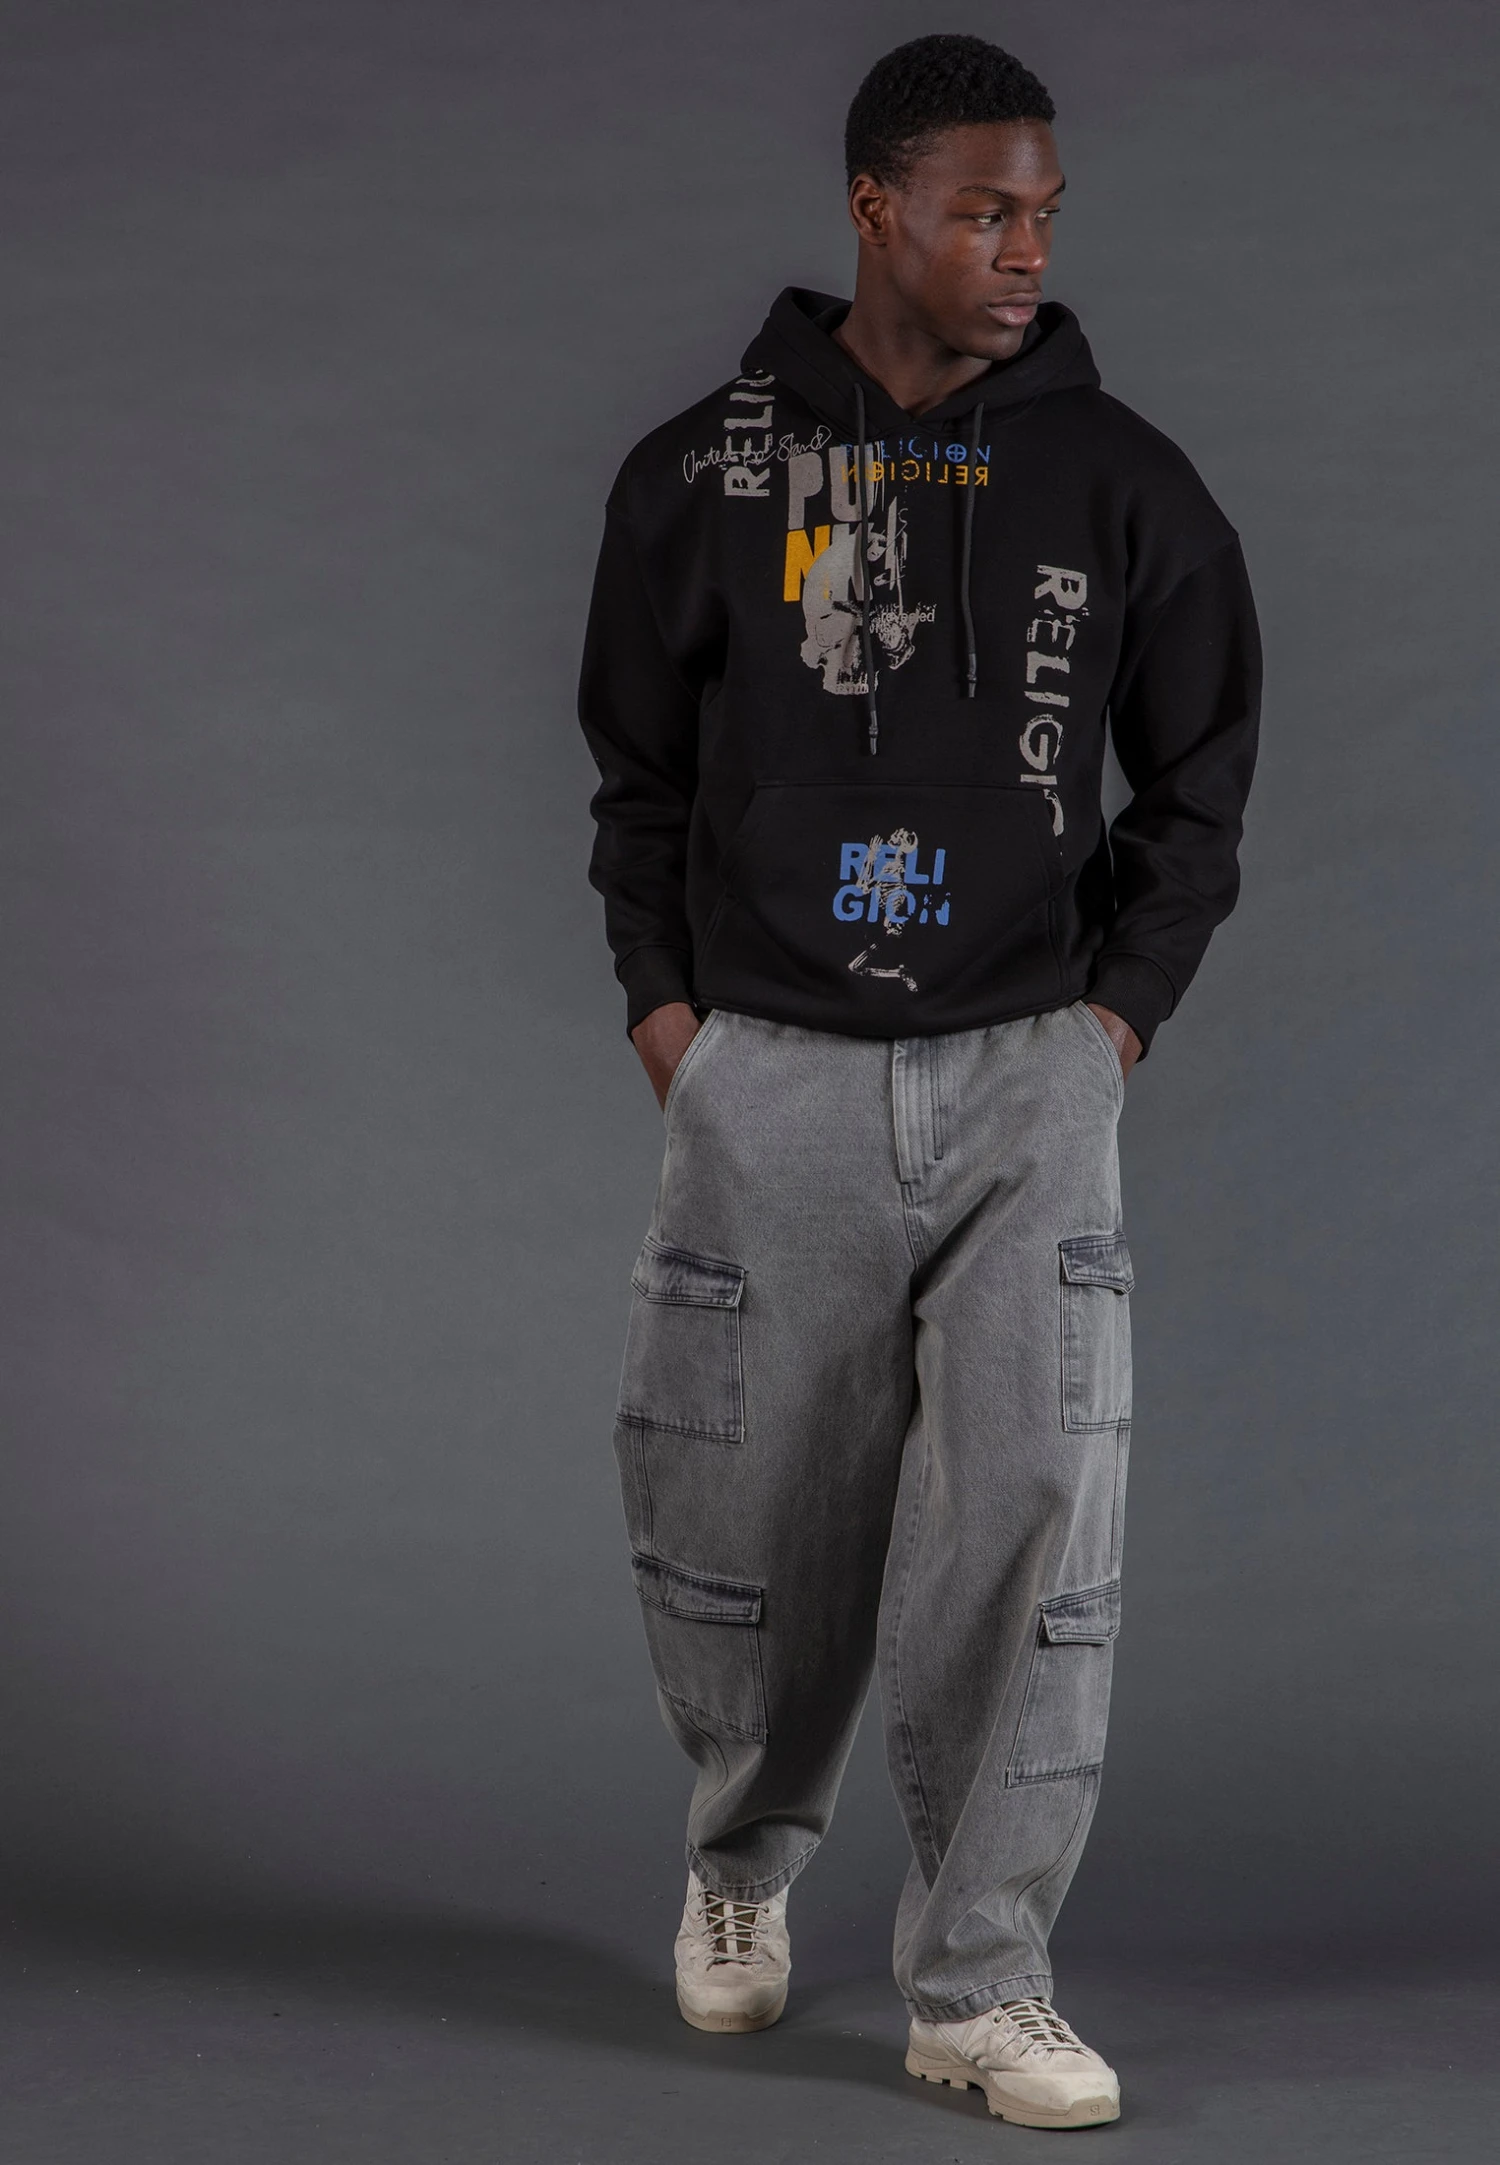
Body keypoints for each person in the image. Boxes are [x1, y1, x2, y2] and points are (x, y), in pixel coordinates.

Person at [577, 31, 1260, 2132]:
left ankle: (982, 1981)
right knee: (753, 1514)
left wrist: (1111, 1019)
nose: (1026, 248)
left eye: (1045, 212)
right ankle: (739, 1860)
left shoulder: (1122, 479)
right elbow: (637, 786)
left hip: (1026, 1074)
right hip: (771, 1071)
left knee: (1031, 1516)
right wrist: (679, 1026)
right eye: (984, 211)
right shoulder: (699, 476)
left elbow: (1201, 784)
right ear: (877, 208)